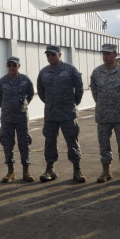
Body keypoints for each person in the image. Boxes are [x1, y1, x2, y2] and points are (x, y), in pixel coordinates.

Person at [37, 45, 85, 183]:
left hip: (68, 113)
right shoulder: (44, 72)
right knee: (50, 141)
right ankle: (50, 169)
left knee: (72, 140)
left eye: (53, 54)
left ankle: (77, 169)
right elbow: (40, 90)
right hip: (51, 113)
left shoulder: (70, 70)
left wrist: (73, 103)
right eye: (48, 55)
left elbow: (79, 87)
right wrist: (50, 102)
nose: (50, 57)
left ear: (59, 54)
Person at [90, 44, 120, 184]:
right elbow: (95, 93)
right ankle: (106, 171)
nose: (105, 56)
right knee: (104, 145)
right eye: (103, 53)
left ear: (115, 54)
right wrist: (104, 104)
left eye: (108, 54)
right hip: (103, 115)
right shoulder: (97, 72)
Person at [0, 56, 35, 182]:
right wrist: (7, 107)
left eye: (14, 65)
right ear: (7, 66)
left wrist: (22, 105)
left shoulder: (25, 79)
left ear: (19, 66)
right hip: (7, 117)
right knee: (7, 143)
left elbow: (31, 94)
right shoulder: (2, 81)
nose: (12, 67)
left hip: (21, 116)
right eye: (9, 65)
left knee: (24, 143)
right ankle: (10, 171)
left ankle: (26, 171)